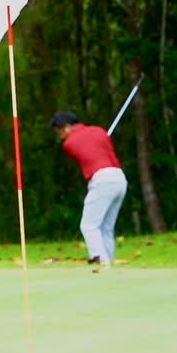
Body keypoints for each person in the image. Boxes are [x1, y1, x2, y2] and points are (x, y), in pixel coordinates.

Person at [49, 110, 128, 267]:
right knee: (106, 227)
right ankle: (108, 262)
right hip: (119, 178)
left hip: (102, 179)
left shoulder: (69, 144)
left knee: (89, 226)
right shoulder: (99, 131)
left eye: (59, 132)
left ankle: (100, 262)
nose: (60, 137)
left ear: (66, 127)